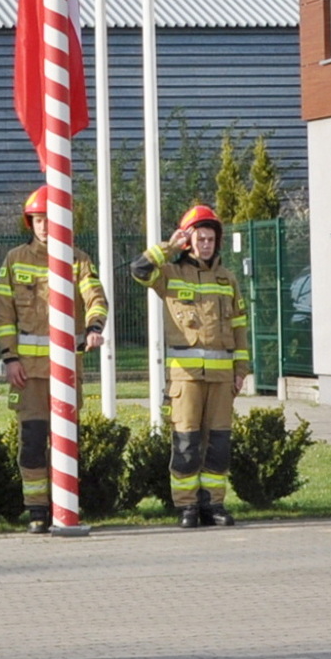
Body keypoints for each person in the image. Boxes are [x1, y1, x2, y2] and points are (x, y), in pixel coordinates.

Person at [0, 186, 106, 532]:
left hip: (66, 372)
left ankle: (64, 505)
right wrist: (9, 358)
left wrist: (95, 326)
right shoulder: (15, 260)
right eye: (38, 220)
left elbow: (96, 297)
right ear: (30, 223)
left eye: (50, 219)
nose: (44, 226)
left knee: (66, 443)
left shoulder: (78, 260)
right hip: (28, 373)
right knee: (32, 442)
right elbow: (3, 314)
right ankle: (37, 510)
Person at [132, 203, 252, 528]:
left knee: (219, 445)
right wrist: (169, 247)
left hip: (222, 380)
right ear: (189, 241)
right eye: (200, 239)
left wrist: (241, 371)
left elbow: (239, 328)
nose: (206, 244)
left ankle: (214, 505)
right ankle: (186, 507)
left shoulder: (227, 280)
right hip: (184, 380)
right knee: (186, 443)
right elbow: (139, 269)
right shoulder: (170, 275)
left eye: (211, 239)